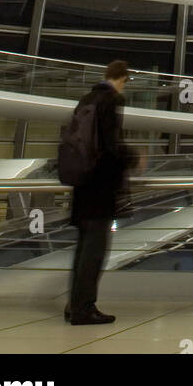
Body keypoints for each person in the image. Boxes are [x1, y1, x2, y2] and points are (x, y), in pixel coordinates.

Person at [66, 60, 141, 325]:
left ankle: (74, 304)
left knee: (83, 248)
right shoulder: (111, 101)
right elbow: (111, 145)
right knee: (95, 250)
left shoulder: (86, 99)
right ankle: (84, 309)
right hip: (99, 186)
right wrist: (133, 158)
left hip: (81, 185)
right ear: (122, 79)